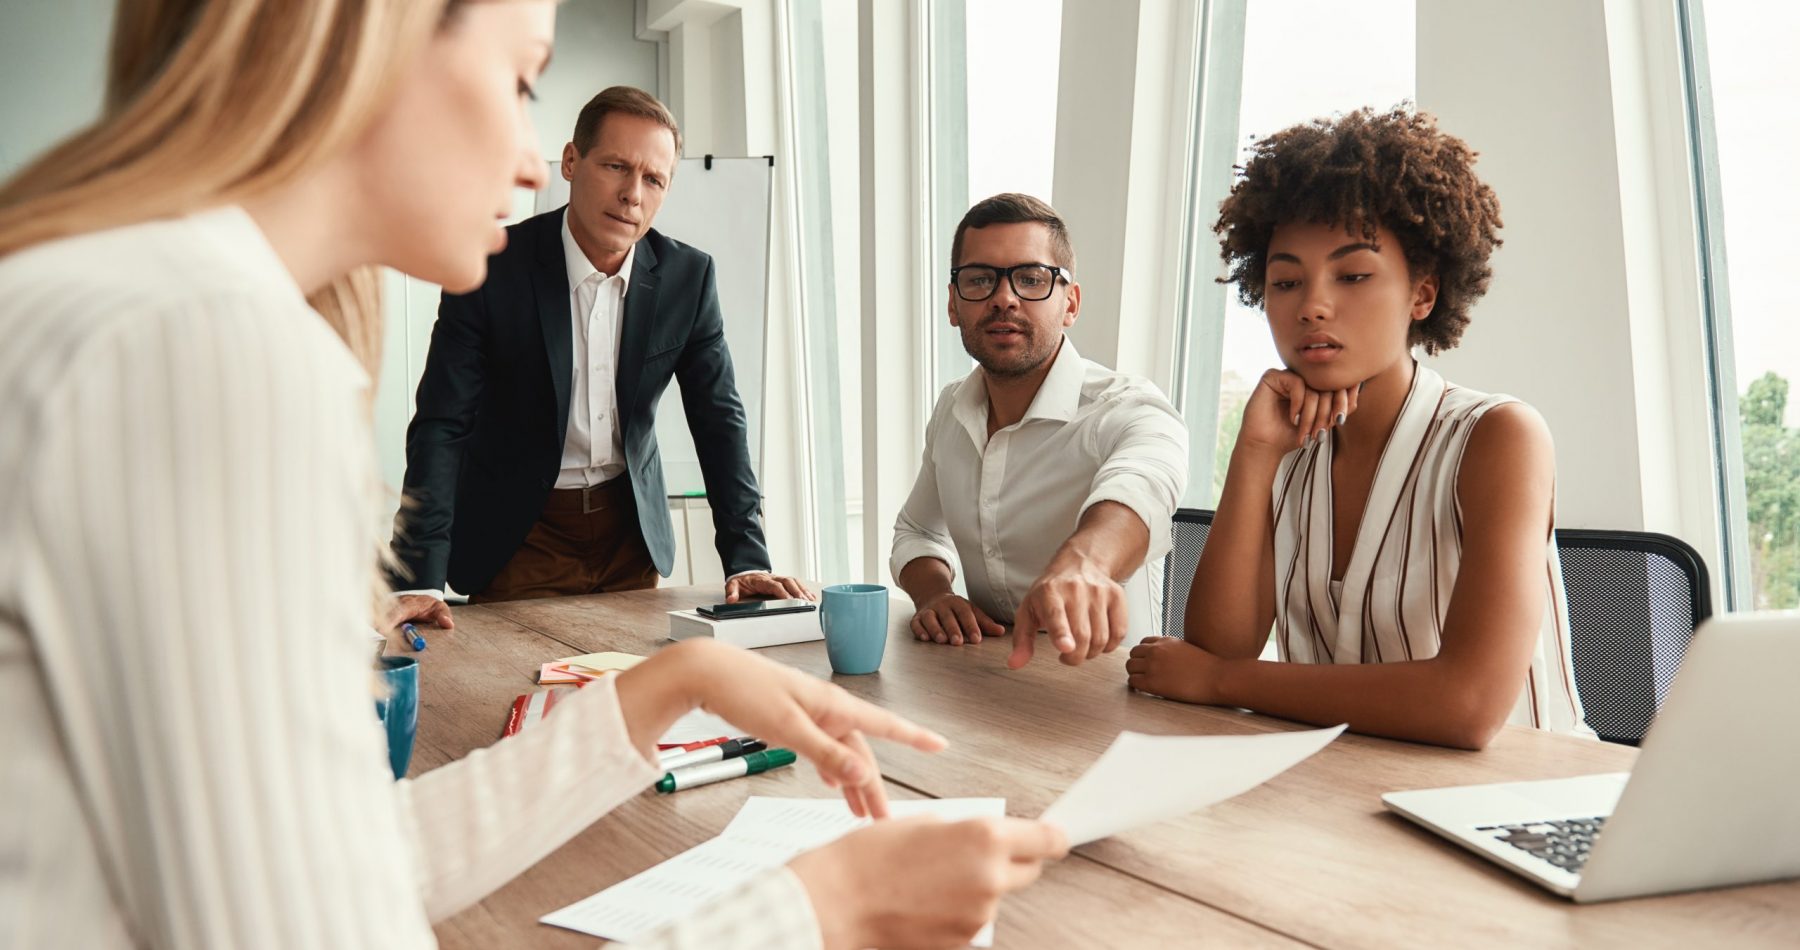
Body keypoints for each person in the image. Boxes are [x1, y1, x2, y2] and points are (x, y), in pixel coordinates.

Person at [0, 3, 1066, 948]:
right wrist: (817, 914)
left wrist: (668, 685)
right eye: (518, 79)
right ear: (373, 33)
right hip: (518, 534)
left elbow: (334, 858)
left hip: (619, 536)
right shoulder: (211, 344)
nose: (524, 158)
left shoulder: (125, 297)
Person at [1125, 106, 1588, 749]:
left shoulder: (1497, 436)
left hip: (1511, 802)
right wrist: (1254, 453)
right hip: (1342, 791)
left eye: (1354, 275)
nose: (1312, 304)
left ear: (1422, 295)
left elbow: (1468, 706)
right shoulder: (1285, 443)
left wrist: (1227, 682)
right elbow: (1217, 645)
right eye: (1286, 280)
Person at [386, 84, 808, 632]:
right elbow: (443, 426)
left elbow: (719, 421)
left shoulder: (688, 278)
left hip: (628, 533)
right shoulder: (491, 270)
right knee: (516, 699)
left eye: (653, 179)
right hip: (520, 533)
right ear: (570, 161)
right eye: (615, 166)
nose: (633, 193)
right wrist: (419, 574)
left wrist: (748, 556)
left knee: (630, 694)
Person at [891, 194, 1189, 669]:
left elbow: (1142, 491)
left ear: (1070, 303)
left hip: (1107, 689)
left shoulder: (1130, 408)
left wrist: (1085, 564)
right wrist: (934, 595)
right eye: (980, 280)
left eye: (1031, 279)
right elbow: (918, 529)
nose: (1003, 298)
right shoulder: (952, 407)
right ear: (953, 304)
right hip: (982, 678)